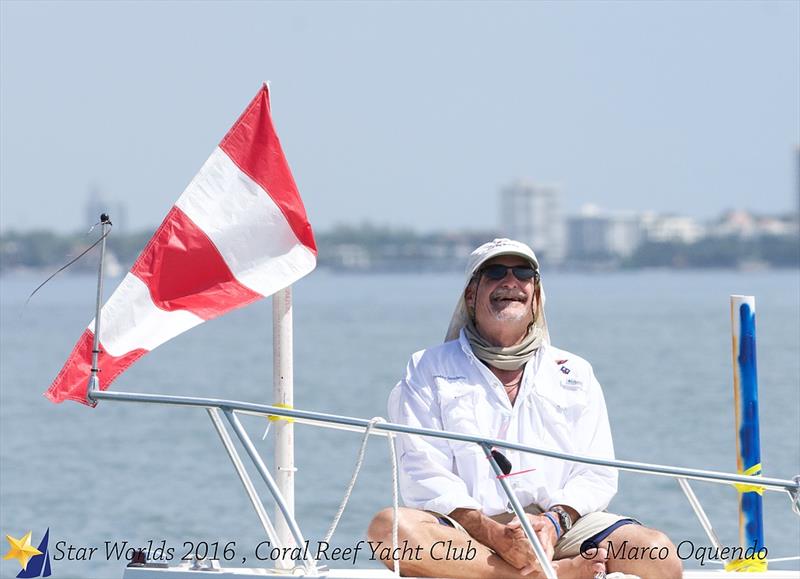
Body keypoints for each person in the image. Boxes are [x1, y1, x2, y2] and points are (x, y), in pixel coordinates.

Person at [367, 239, 682, 579]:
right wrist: (493, 533)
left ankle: (540, 568)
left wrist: (551, 524)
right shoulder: (426, 367)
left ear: (536, 296)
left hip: (560, 525)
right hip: (467, 530)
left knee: (658, 555)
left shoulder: (576, 372)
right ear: (471, 294)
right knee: (390, 530)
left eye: (523, 273)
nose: (510, 282)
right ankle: (544, 576)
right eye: (495, 272)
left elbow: (598, 473)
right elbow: (422, 472)